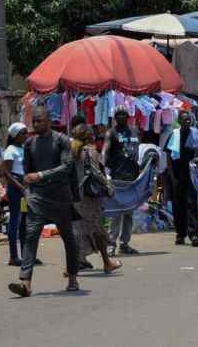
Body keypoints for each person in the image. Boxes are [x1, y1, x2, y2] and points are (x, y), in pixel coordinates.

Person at [8, 106, 80, 297]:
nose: (37, 124)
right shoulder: (30, 144)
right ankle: (25, 282)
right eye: (35, 121)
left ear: (49, 121)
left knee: (68, 237)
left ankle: (72, 277)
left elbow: (67, 167)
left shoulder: (62, 140)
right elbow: (27, 173)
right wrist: (29, 194)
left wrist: (40, 175)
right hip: (38, 197)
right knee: (31, 236)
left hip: (60, 197)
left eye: (40, 120)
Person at [71, 124, 122, 274]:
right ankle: (106, 262)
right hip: (89, 197)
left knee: (80, 229)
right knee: (97, 229)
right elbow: (95, 172)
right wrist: (108, 186)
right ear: (88, 136)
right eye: (92, 134)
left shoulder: (71, 151)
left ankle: (77, 262)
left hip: (76, 196)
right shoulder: (89, 151)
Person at [103, 106, 140, 256]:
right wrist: (105, 173)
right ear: (115, 116)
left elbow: (139, 150)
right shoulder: (111, 132)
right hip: (117, 176)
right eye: (119, 114)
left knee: (129, 212)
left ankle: (125, 243)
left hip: (132, 176)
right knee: (116, 212)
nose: (122, 116)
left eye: (124, 114)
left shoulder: (134, 131)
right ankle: (111, 244)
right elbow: (104, 152)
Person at [165, 111, 198, 247]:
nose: (187, 122)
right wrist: (172, 177)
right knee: (178, 206)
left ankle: (194, 235)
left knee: (191, 204)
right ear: (180, 122)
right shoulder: (173, 135)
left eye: (189, 120)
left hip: (191, 175)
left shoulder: (195, 134)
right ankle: (180, 234)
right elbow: (168, 156)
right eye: (185, 120)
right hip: (176, 175)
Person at [1, 122, 28, 266]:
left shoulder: (23, 148)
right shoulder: (10, 150)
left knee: (24, 221)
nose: (26, 135)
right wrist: (20, 186)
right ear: (15, 136)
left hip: (24, 188)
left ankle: (25, 255)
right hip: (15, 189)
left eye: (26, 133)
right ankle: (13, 256)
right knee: (14, 221)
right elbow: (7, 173)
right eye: (23, 133)